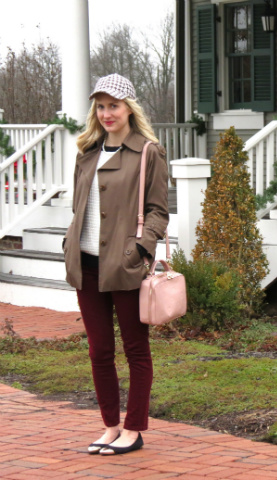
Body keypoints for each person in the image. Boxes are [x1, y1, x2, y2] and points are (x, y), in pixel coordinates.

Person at [63, 73, 169, 455]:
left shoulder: (148, 152)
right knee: (98, 352)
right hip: (85, 265)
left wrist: (140, 250)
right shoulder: (87, 152)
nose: (107, 113)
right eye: (101, 106)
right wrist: (67, 244)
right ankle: (109, 426)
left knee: (135, 350)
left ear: (129, 108)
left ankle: (134, 429)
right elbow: (79, 208)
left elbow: (158, 212)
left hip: (124, 266)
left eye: (114, 105)